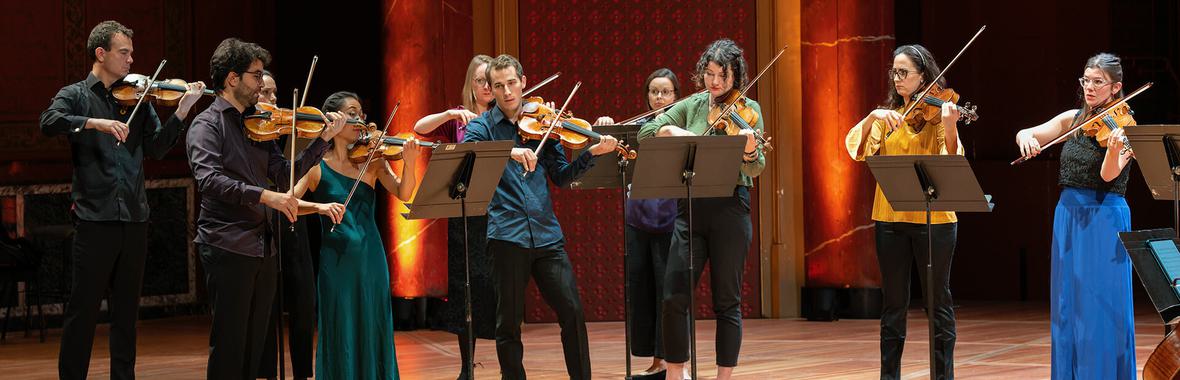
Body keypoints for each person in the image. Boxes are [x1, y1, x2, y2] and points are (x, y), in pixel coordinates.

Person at [39, 20, 205, 380]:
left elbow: (158, 148)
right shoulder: (76, 94)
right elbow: (48, 122)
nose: (132, 60)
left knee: (127, 313)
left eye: (131, 52)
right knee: (82, 311)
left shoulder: (139, 98)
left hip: (133, 216)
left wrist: (181, 110)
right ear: (101, 54)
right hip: (94, 218)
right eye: (124, 52)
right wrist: (95, 124)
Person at [185, 37, 346, 379]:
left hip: (263, 246)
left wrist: (322, 141)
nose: (262, 83)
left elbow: (281, 173)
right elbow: (209, 180)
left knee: (255, 349)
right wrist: (264, 196)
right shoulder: (207, 125)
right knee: (230, 347)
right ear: (232, 79)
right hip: (227, 244)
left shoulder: (259, 124)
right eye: (256, 76)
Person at [462, 54, 619, 380]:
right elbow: (470, 153)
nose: (507, 92)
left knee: (572, 312)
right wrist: (510, 151)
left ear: (522, 82)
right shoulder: (483, 127)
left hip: (547, 234)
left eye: (512, 83)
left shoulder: (542, 123)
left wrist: (591, 153)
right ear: (490, 89)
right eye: (499, 86)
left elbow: (561, 176)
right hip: (506, 235)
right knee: (508, 323)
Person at [637, 38, 766, 380]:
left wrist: (750, 150)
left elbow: (755, 168)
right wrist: (674, 130)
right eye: (709, 74)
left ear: (736, 75)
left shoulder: (749, 109)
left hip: (730, 209)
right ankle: (677, 373)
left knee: (727, 300)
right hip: (690, 208)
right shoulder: (693, 105)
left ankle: (724, 376)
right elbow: (646, 131)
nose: (715, 82)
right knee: (673, 296)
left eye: (722, 75)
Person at [844, 44, 964, 380]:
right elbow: (856, 150)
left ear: (923, 75)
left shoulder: (939, 114)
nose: (897, 79)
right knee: (893, 305)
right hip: (890, 219)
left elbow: (950, 163)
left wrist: (951, 125)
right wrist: (872, 116)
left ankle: (944, 376)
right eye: (894, 72)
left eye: (904, 73)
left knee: (938, 302)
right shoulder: (888, 118)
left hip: (935, 222)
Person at [1014, 53, 1136, 380]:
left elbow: (1109, 176)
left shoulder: (1125, 128)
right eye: (1086, 80)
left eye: (1098, 82)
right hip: (1068, 215)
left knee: (1099, 307)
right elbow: (1030, 133)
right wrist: (1025, 137)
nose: (1090, 88)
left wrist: (1113, 150)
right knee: (1069, 304)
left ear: (1116, 87)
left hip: (1104, 218)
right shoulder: (1073, 119)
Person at [292, 90, 417, 379]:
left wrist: (409, 162)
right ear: (333, 121)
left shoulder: (371, 160)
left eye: (360, 112)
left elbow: (405, 192)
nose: (359, 119)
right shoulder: (316, 166)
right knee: (341, 328)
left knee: (374, 325)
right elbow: (289, 203)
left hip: (371, 261)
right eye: (351, 112)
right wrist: (320, 207)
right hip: (336, 265)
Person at [413, 54, 498, 380]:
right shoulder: (459, 121)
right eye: (480, 81)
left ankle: (507, 359)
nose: (487, 87)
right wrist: (449, 112)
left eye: (491, 81)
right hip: (465, 217)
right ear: (471, 85)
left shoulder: (504, 118)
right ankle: (467, 366)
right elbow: (418, 128)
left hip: (499, 213)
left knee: (497, 287)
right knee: (466, 288)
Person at [254, 69, 317, 380]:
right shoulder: (249, 136)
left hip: (294, 229)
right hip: (262, 228)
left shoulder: (291, 135)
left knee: (304, 308)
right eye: (266, 93)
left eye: (275, 94)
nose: (273, 100)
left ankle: (303, 375)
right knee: (266, 313)